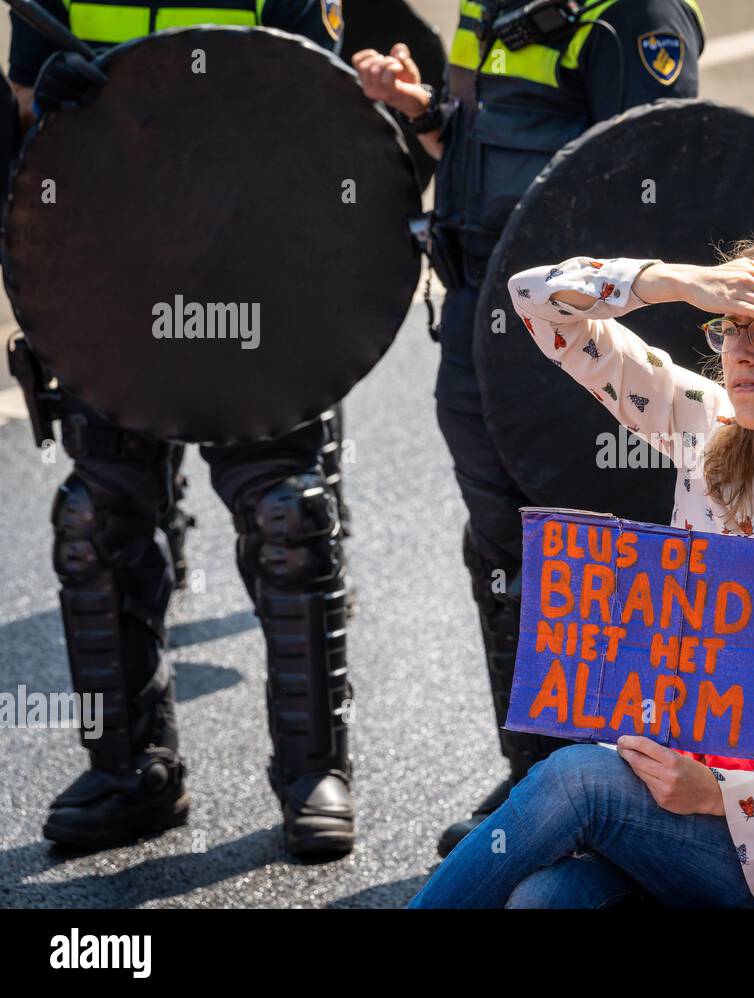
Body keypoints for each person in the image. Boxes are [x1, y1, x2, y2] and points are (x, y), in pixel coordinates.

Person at [406, 236, 754, 907]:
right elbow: (534, 300)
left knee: (579, 778)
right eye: (731, 325)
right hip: (679, 801)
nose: (741, 350)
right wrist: (678, 282)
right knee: (545, 902)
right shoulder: (708, 430)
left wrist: (718, 794)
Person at [351, 0, 705, 858]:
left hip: (575, 351)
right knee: (503, 555)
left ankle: (622, 798)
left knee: (606, 558)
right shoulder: (490, 9)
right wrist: (426, 113)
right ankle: (537, 781)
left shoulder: (634, 17)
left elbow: (655, 195)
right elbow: (485, 148)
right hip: (478, 323)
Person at [8, 0, 359, 858]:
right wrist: (48, 104)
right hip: (109, 274)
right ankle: (133, 773)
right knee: (95, 521)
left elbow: (322, 102)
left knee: (289, 516)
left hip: (252, 272)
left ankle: (314, 772)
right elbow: (22, 98)